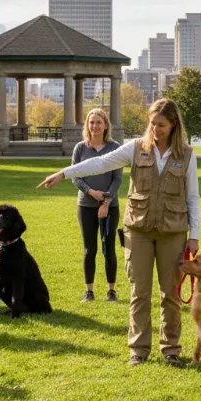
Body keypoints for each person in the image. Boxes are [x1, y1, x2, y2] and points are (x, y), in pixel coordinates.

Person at [38, 99, 200, 367]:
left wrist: (194, 235)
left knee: (170, 293)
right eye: (152, 124)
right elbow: (101, 163)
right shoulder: (136, 148)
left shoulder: (187, 154)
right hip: (138, 230)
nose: (155, 129)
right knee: (139, 292)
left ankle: (171, 349)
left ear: (173, 125)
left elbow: (192, 197)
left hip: (173, 231)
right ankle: (138, 350)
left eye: (161, 125)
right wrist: (64, 173)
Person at [71, 108, 122, 303]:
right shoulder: (80, 148)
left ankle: (111, 291)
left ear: (106, 125)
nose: (95, 126)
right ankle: (89, 291)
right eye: (91, 122)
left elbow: (117, 179)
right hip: (85, 206)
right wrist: (92, 193)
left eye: (98, 122)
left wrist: (106, 202)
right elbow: (75, 176)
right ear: (87, 125)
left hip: (110, 207)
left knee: (108, 248)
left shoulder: (114, 147)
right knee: (89, 249)